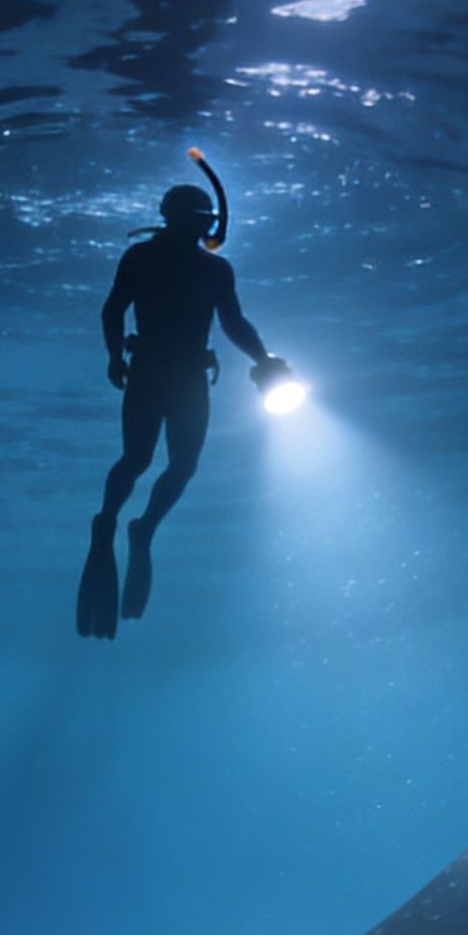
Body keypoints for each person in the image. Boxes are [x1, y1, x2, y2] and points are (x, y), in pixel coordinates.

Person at [80, 157, 278, 637]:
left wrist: (263, 358)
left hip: (187, 375)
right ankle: (108, 520)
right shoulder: (141, 258)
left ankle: (141, 527)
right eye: (197, 222)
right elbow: (114, 310)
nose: (200, 230)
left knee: (182, 465)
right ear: (178, 220)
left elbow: (233, 322)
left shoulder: (214, 270)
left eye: (203, 224)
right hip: (150, 371)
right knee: (137, 458)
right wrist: (114, 356)